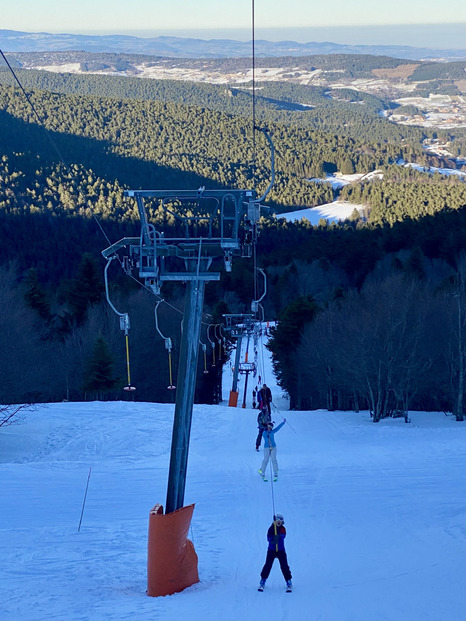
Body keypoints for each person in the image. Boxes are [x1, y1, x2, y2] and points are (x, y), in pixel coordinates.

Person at [258, 513, 292, 592]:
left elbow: (283, 536)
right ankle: (263, 580)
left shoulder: (283, 528)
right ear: (275, 521)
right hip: (271, 550)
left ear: (282, 522)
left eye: (280, 521)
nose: (279, 522)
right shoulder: (271, 528)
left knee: (284, 566)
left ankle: (288, 581)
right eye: (277, 521)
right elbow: (268, 538)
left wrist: (279, 536)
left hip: (280, 550)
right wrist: (273, 538)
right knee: (268, 565)